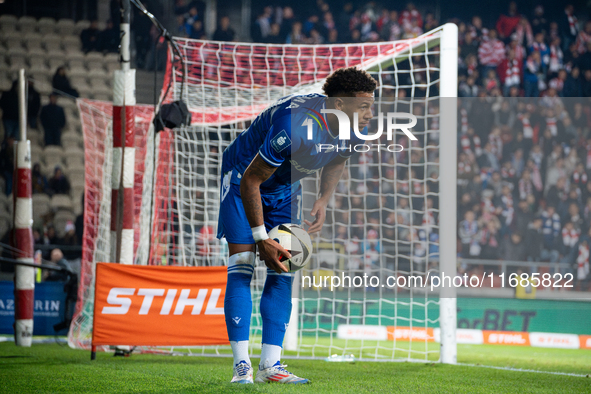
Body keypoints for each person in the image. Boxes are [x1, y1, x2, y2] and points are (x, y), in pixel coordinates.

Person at [218, 67, 376, 384]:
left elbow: (338, 159)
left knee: (285, 267)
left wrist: (323, 199)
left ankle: (270, 366)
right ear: (340, 104)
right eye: (363, 105)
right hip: (242, 180)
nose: (370, 114)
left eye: (371, 105)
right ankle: (242, 367)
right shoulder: (294, 126)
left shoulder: (354, 129)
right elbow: (252, 179)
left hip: (287, 189)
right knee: (243, 263)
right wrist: (261, 237)